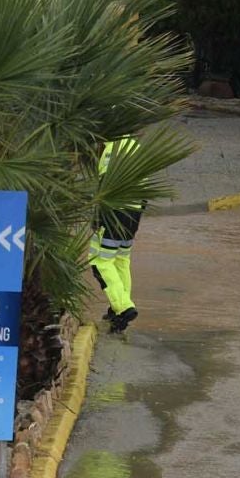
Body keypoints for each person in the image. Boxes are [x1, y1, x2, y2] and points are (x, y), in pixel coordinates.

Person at [93, 136, 144, 333]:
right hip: (134, 213)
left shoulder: (111, 148)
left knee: (100, 262)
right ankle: (118, 308)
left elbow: (105, 184)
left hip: (113, 212)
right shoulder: (136, 147)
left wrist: (97, 218)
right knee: (121, 261)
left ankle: (124, 308)